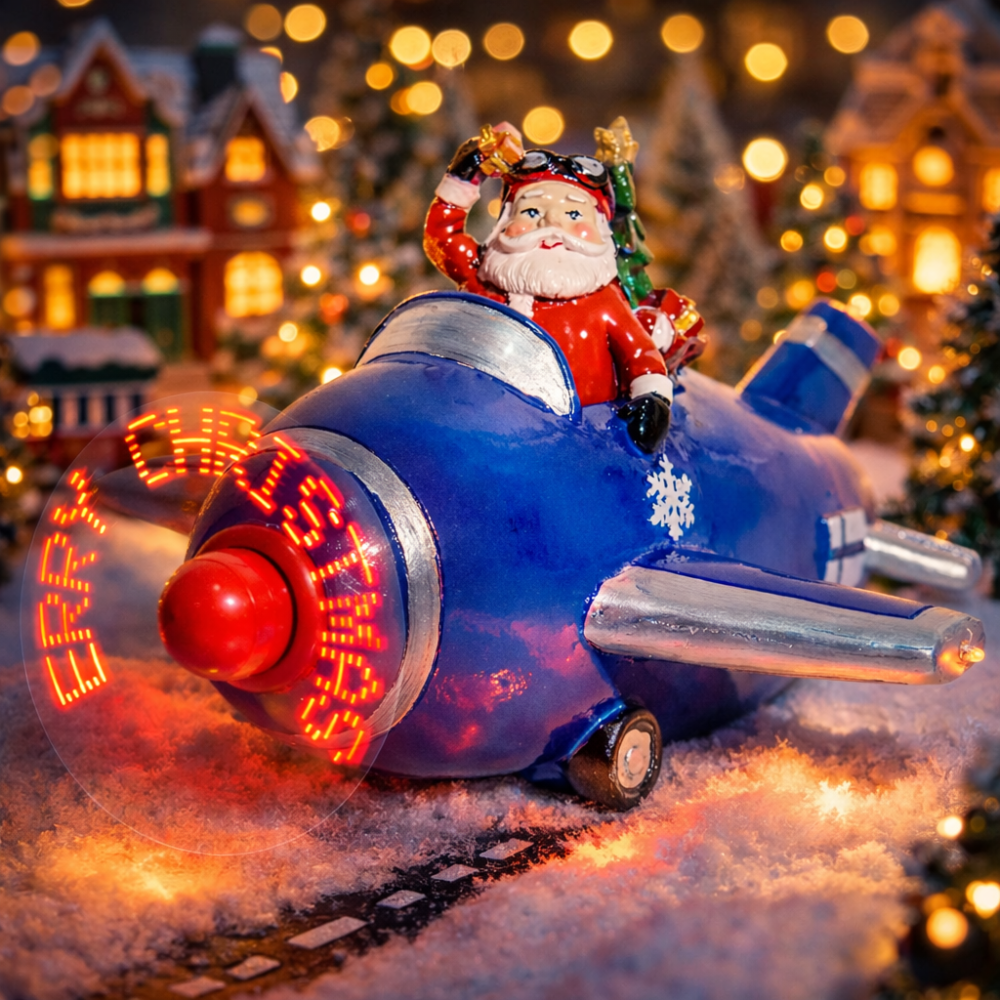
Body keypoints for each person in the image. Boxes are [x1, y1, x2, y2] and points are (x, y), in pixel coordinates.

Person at [424, 124, 678, 453]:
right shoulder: (484, 279)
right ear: (505, 222)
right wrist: (464, 176)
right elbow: (442, 237)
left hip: (573, 445)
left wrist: (652, 400)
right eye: (531, 211)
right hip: (478, 433)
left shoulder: (602, 302)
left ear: (599, 228)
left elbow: (641, 355)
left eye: (573, 213)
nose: (551, 225)